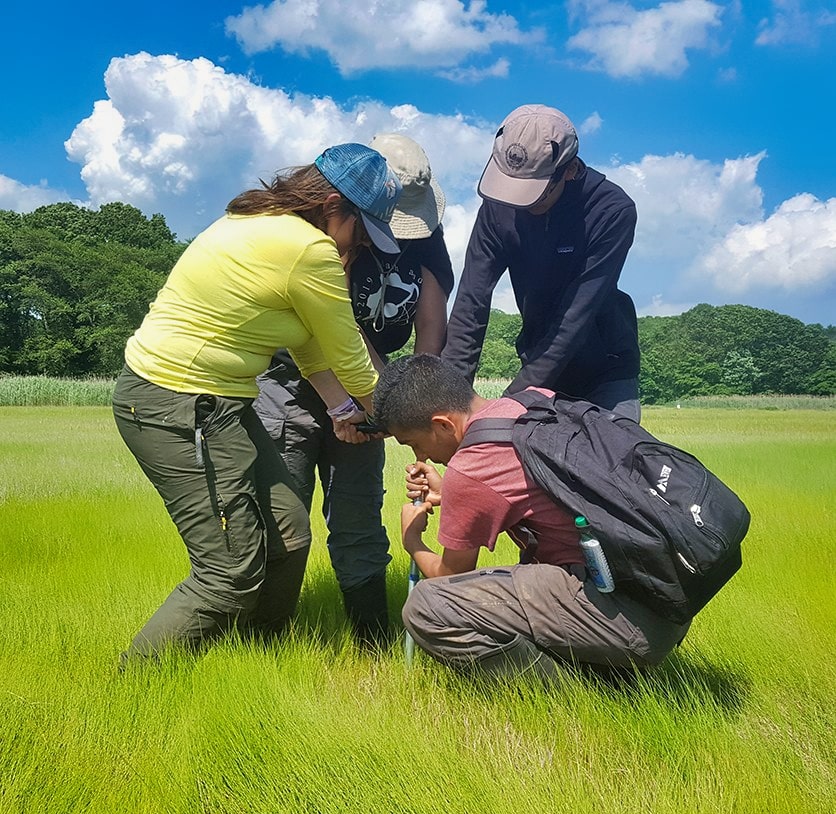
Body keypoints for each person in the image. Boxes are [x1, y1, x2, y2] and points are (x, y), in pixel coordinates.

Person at [112, 144, 402, 662]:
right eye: (362, 230)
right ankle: (130, 692)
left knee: (288, 536)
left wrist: (342, 412)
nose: (359, 246)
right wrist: (410, 423)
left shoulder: (254, 218)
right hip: (176, 403)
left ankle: (259, 658)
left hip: (220, 404)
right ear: (333, 205)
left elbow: (308, 344)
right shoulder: (307, 249)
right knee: (228, 574)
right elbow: (354, 363)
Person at [373, 354, 689, 679]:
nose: (420, 456)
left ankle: (588, 690)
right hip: (664, 594)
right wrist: (449, 492)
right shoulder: (531, 403)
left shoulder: (472, 467)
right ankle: (607, 663)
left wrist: (412, 540)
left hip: (627, 619)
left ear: (442, 424)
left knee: (428, 607)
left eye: (413, 443)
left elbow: (448, 576)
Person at [253, 134, 454, 644]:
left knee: (358, 515)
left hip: (372, 391)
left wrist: (416, 411)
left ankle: (371, 640)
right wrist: (373, 401)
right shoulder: (335, 229)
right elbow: (333, 328)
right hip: (295, 382)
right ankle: (262, 638)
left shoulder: (429, 239)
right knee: (283, 512)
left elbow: (431, 330)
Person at [442, 104, 642, 423]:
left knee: (607, 467)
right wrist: (450, 399)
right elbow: (471, 302)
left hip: (604, 370)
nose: (518, 202)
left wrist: (506, 406)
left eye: (533, 192)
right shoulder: (498, 205)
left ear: (571, 170)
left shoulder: (611, 211)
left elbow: (573, 319)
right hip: (537, 357)